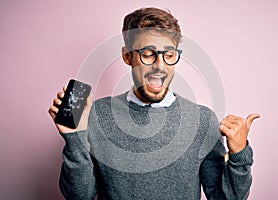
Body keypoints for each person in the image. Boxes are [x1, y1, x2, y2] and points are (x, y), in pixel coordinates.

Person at [49, 7, 260, 200]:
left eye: (169, 55)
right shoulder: (96, 115)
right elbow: (79, 196)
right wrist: (74, 139)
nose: (160, 66)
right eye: (148, 54)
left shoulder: (202, 121)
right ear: (128, 56)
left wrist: (239, 154)